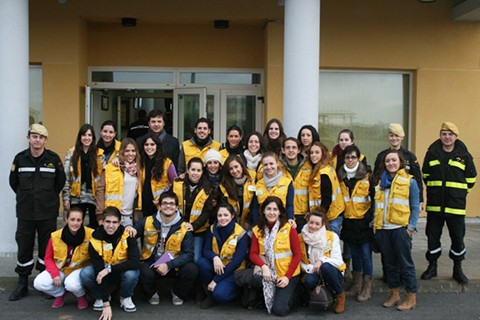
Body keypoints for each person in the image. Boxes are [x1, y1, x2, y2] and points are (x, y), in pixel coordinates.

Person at [9, 124, 66, 301]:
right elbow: (13, 183)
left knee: (46, 248)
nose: (37, 140)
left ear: (45, 140)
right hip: (26, 212)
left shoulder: (53, 159)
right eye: (34, 136)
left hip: (47, 212)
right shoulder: (20, 159)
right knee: (24, 246)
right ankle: (22, 283)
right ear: (29, 138)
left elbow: (60, 183)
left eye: (41, 137)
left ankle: (43, 281)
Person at [421, 122, 476, 284]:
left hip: (456, 206)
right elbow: (425, 175)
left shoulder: (464, 155)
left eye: (450, 134)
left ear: (456, 137)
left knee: (458, 238)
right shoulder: (432, 153)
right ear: (440, 136)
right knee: (432, 237)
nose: (447, 137)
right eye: (444, 134)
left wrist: (459, 194)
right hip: (435, 205)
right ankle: (432, 266)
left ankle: (457, 268)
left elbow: (471, 178)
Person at [125, 192, 198, 306]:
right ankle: (152, 294)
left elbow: (189, 254)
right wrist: (129, 227)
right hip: (152, 261)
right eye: (164, 203)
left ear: (176, 207)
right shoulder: (148, 220)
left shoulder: (184, 227)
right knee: (143, 270)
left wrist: (168, 265)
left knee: (191, 269)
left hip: (174, 264)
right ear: (159, 205)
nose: (168, 206)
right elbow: (133, 233)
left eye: (171, 203)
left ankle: (178, 293)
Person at [373, 149, 419, 311]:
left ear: (400, 162)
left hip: (400, 230)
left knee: (405, 264)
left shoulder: (409, 182)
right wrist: (375, 225)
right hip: (383, 230)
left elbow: (415, 206)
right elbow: (376, 206)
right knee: (390, 264)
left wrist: (410, 228)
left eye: (394, 160)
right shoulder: (380, 182)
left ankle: (411, 296)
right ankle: (394, 294)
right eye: (387, 161)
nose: (390, 163)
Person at [80, 206, 140, 318]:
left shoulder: (128, 235)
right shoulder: (95, 239)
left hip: (121, 272)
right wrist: (106, 304)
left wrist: (109, 269)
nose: (111, 225)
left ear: (119, 223)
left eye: (114, 222)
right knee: (85, 274)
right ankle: (100, 297)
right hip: (102, 273)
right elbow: (99, 270)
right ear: (102, 222)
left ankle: (125, 296)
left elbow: (135, 262)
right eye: (107, 221)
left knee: (132, 273)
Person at [250, 196, 301, 316]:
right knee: (255, 279)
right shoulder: (257, 230)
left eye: (275, 209)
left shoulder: (289, 229)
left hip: (287, 273)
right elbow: (253, 253)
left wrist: (287, 277)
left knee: (280, 310)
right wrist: (264, 266)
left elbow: (297, 255)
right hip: (270, 272)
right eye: (268, 209)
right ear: (263, 210)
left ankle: (298, 293)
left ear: (280, 212)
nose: (271, 212)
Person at [33, 207, 93, 309]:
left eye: (78, 220)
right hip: (61, 269)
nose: (75, 223)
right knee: (39, 283)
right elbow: (48, 258)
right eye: (72, 219)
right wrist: (55, 274)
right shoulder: (56, 236)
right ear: (67, 219)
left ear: (82, 221)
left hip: (78, 269)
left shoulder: (91, 234)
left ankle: (81, 296)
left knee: (71, 284)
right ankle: (60, 294)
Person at [337, 145, 375, 302]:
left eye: (353, 157)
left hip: (363, 224)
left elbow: (374, 200)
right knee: (355, 255)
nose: (350, 160)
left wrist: (370, 219)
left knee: (366, 255)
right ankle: (356, 284)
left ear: (358, 158)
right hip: (349, 223)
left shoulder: (367, 176)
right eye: (347, 157)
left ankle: (367, 287)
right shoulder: (340, 176)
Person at [197, 203, 248, 308]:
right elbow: (205, 250)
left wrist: (215, 280)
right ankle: (210, 293)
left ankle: (238, 291)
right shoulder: (213, 229)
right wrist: (215, 258)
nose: (222, 218)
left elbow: (236, 263)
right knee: (202, 263)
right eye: (220, 215)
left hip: (233, 271)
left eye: (226, 215)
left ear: (232, 216)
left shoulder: (241, 234)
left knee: (220, 295)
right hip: (218, 266)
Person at [299, 208, 346, 314]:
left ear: (322, 225)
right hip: (313, 272)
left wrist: (321, 261)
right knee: (308, 280)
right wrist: (310, 268)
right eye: (311, 222)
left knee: (325, 266)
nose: (313, 226)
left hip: (333, 271)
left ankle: (340, 295)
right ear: (307, 222)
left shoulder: (332, 236)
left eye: (317, 224)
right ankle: (321, 295)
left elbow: (338, 261)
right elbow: (299, 261)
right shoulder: (300, 238)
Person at [173, 157, 215, 262]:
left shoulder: (207, 188)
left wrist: (193, 226)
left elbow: (207, 212)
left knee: (195, 258)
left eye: (198, 170)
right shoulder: (177, 184)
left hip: (198, 230)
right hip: (178, 227)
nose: (195, 173)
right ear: (187, 170)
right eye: (193, 170)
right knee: (176, 255)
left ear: (202, 172)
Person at [373, 123, 423, 209]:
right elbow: (375, 177)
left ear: (402, 137)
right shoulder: (381, 156)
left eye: (397, 136)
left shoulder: (410, 156)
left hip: (404, 198)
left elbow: (417, 179)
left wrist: (420, 200)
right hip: (384, 197)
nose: (394, 138)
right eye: (391, 136)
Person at [63, 124, 103, 229]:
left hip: (94, 198)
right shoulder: (71, 153)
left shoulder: (99, 154)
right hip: (76, 197)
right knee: (75, 227)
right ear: (80, 137)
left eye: (89, 135)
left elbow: (103, 179)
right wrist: (66, 198)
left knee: (95, 228)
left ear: (93, 138)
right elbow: (66, 177)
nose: (87, 138)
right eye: (84, 135)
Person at [95, 138, 142, 227]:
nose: (130, 154)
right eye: (127, 151)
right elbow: (100, 191)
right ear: (122, 152)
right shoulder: (110, 168)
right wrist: (100, 216)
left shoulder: (139, 170)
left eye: (133, 151)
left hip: (129, 216)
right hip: (111, 216)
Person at [308, 141, 345, 236]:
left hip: (331, 217)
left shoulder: (324, 173)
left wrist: (318, 217)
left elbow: (326, 198)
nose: (313, 155)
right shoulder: (327, 167)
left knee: (329, 247)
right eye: (311, 153)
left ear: (323, 154)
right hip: (331, 214)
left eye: (317, 152)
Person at [250, 151, 295, 227]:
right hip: (262, 224)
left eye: (271, 163)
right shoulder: (258, 184)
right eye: (265, 165)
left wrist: (290, 218)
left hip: (281, 223)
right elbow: (255, 207)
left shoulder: (287, 183)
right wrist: (255, 224)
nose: (269, 167)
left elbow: (289, 205)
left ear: (277, 163)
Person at [139, 133, 177, 217]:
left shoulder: (167, 163)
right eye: (146, 145)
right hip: (143, 205)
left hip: (159, 206)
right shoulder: (140, 162)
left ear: (157, 146)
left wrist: (163, 197)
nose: (149, 147)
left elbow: (176, 183)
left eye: (152, 144)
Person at [279, 137, 312, 230]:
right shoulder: (277, 167)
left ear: (299, 150)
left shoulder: (309, 167)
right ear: (283, 150)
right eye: (288, 147)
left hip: (304, 215)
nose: (291, 150)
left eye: (294, 147)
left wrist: (311, 211)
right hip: (284, 215)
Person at [219, 155, 256, 230]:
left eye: (236, 167)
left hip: (250, 219)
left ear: (242, 166)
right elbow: (225, 206)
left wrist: (248, 220)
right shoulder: (224, 185)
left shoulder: (253, 177)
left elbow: (256, 202)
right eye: (231, 169)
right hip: (231, 221)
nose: (235, 171)